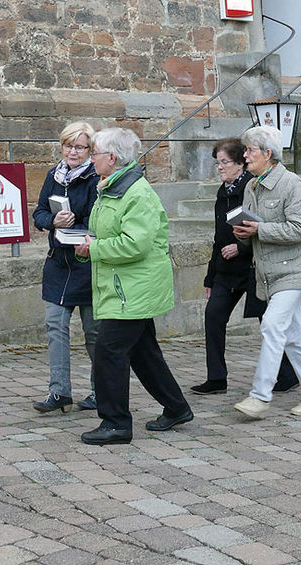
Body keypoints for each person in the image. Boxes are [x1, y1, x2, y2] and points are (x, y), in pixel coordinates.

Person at [75, 128, 192, 445]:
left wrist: (95, 249)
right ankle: (177, 407)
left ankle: (115, 423)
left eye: (95, 152)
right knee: (144, 354)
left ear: (111, 158)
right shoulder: (113, 187)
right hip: (125, 286)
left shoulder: (136, 193)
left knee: (109, 352)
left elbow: (135, 245)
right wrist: (90, 246)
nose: (91, 157)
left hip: (132, 290)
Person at [231, 126, 301, 419]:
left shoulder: (292, 184)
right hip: (268, 273)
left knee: (272, 326)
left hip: (294, 270)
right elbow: (251, 233)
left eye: (250, 150)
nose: (245, 155)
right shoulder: (250, 186)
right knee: (294, 336)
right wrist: (242, 233)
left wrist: (261, 229)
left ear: (268, 153)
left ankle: (260, 396)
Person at [191, 138, 297, 395]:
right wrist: (209, 277)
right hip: (225, 272)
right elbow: (219, 238)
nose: (220, 167)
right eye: (217, 163)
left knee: (267, 322)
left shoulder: (252, 188)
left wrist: (241, 248)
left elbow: (262, 229)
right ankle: (216, 378)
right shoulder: (222, 192)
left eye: (224, 162)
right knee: (213, 316)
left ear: (240, 163)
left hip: (252, 268)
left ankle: (287, 374)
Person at [31, 121, 100, 413]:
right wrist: (52, 221)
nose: (73, 151)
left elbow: (100, 222)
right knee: (55, 327)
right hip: (58, 263)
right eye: (68, 145)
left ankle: (101, 391)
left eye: (80, 146)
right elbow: (39, 213)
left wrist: (77, 227)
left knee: (94, 333)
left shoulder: (97, 178)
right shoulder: (54, 175)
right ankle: (59, 392)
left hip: (86, 263)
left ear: (90, 150)